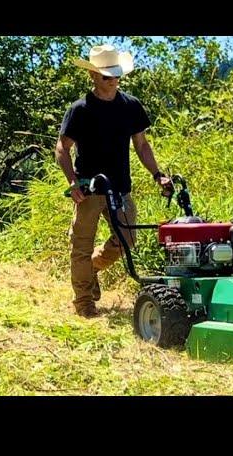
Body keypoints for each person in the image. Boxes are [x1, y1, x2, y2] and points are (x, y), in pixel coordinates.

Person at [55, 44, 171, 318]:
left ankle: (93, 268)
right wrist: (72, 182)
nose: (113, 79)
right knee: (80, 246)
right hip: (88, 189)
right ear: (93, 76)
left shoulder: (131, 106)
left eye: (116, 74)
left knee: (127, 238)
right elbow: (62, 148)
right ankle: (84, 303)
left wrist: (158, 175)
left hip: (120, 188)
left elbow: (142, 146)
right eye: (107, 75)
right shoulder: (80, 109)